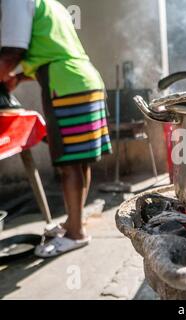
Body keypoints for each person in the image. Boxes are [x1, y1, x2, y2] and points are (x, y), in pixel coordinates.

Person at [0, 0, 112, 256]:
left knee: (68, 164)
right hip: (85, 79)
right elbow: (54, 51)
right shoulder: (51, 4)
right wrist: (18, 77)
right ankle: (74, 223)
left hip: (65, 86)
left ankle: (75, 234)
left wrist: (8, 70)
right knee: (80, 161)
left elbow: (11, 54)